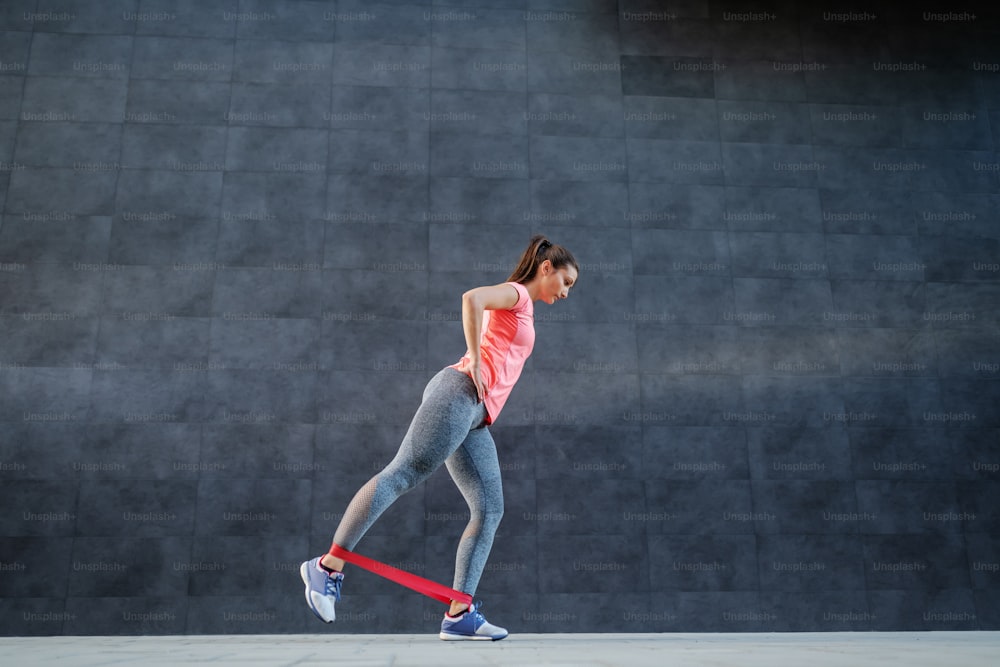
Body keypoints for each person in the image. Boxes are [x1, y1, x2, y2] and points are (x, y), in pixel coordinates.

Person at [300, 235, 579, 640]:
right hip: (459, 393)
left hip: (475, 416)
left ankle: (460, 613)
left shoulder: (524, 309)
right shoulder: (517, 294)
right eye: (566, 282)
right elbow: (472, 298)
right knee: (402, 474)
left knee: (489, 510)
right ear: (547, 268)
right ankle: (326, 568)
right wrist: (478, 361)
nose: (566, 293)